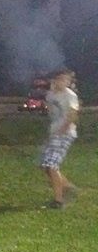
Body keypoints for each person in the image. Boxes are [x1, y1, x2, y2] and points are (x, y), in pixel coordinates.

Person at [40, 68, 80, 209]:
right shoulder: (50, 95)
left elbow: (73, 115)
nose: (64, 82)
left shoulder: (70, 96)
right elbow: (51, 111)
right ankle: (68, 187)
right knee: (45, 165)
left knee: (51, 165)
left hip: (65, 133)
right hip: (54, 133)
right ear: (54, 80)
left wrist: (62, 131)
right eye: (61, 79)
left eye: (67, 79)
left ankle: (59, 201)